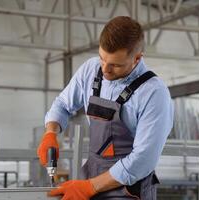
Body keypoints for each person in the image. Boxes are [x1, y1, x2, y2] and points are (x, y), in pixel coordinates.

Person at [37, 16, 174, 200]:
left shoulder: (154, 93)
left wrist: (91, 187)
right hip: (91, 179)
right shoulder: (91, 69)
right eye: (102, 59)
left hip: (129, 190)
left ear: (137, 58)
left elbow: (143, 160)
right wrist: (50, 133)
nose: (105, 70)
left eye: (116, 65)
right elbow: (62, 104)